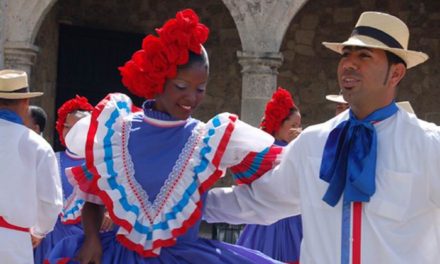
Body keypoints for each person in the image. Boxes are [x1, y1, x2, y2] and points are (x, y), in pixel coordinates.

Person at [47, 9, 284, 264]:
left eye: (200, 89)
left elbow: (276, 175)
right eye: (181, 87)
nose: (192, 98)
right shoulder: (116, 132)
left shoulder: (209, 139)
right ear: (158, 79)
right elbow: (94, 198)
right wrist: (92, 238)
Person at [204, 11, 440, 263]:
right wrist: (187, 204)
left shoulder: (428, 145)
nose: (349, 63)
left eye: (364, 56)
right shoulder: (313, 142)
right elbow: (260, 201)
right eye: (346, 55)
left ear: (396, 74)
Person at [0, 69, 63, 263]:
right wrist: (39, 231)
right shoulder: (38, 146)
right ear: (25, 102)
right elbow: (51, 202)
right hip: (13, 244)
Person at [236, 87, 302, 263]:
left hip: (293, 219)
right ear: (279, 125)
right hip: (269, 222)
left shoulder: (295, 148)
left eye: (299, 126)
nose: (298, 130)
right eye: (293, 125)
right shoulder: (267, 153)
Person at [33, 95, 99, 263]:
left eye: (77, 127)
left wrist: (108, 214)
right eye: (67, 127)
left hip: (82, 239)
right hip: (47, 237)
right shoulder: (50, 157)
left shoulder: (102, 162)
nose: (70, 132)